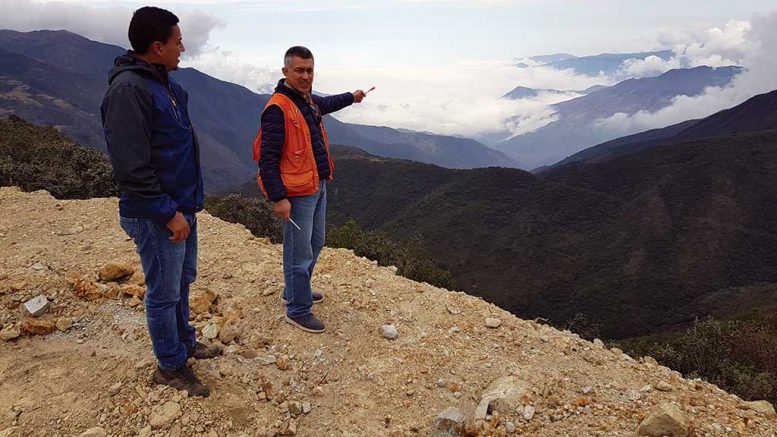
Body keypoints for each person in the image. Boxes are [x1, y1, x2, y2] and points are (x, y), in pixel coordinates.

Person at [101, 6, 220, 397]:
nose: (183, 47)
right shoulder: (129, 90)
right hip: (157, 214)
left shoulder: (163, 82)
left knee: (183, 281)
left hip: (180, 207)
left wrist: (184, 207)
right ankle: (169, 365)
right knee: (163, 291)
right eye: (178, 41)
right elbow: (131, 167)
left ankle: (184, 342)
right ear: (157, 47)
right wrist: (167, 213)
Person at [253, 46, 366, 333]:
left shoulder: (306, 101)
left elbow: (326, 103)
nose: (306, 76)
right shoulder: (278, 108)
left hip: (316, 185)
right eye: (299, 70)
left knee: (315, 244)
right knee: (298, 251)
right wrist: (278, 197)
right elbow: (267, 160)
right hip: (296, 194)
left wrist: (351, 98)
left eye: (310, 70)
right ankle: (298, 309)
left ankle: (295, 289)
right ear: (285, 72)